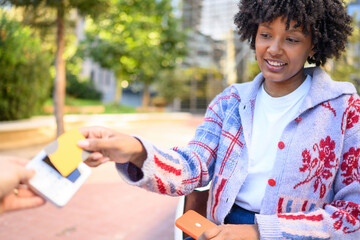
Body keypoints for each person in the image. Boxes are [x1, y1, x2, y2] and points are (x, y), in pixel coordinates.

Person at [77, 0, 360, 239]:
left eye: (292, 39)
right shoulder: (230, 102)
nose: (274, 49)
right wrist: (135, 150)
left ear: (314, 45)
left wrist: (259, 232)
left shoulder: (346, 110)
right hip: (223, 230)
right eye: (265, 35)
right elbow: (193, 166)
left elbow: (353, 213)